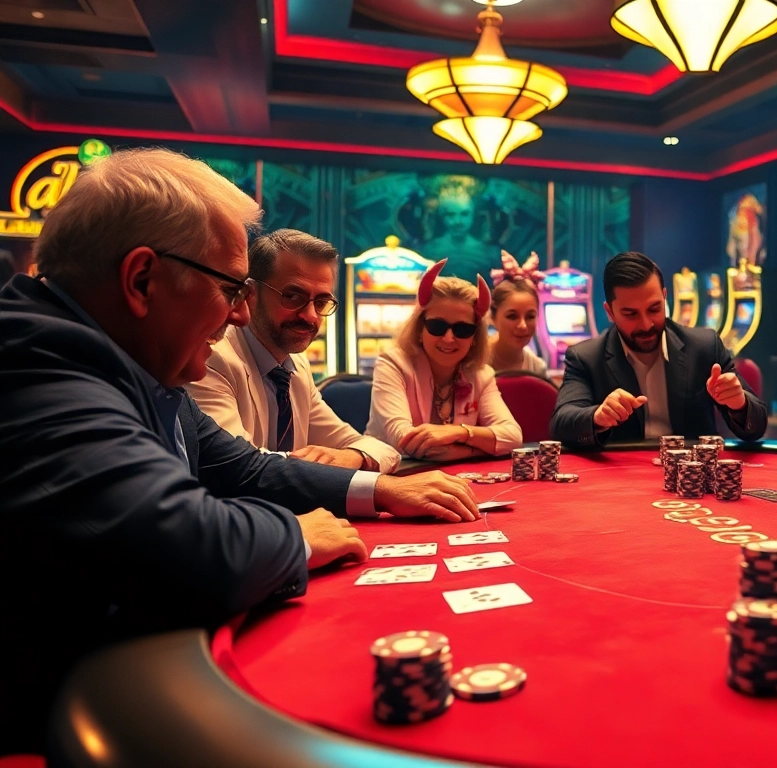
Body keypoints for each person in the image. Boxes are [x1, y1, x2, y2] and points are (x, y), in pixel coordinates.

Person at [0, 148, 481, 754]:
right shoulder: (35, 364)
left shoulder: (131, 363)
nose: (239, 314)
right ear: (142, 280)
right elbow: (189, 543)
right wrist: (296, 535)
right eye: (230, 288)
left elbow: (241, 466)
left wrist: (380, 489)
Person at [186, 229, 400, 472]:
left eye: (321, 302)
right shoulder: (211, 357)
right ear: (250, 294)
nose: (311, 316)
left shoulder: (296, 366)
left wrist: (354, 457)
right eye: (292, 296)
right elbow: (238, 468)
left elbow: (379, 450)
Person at [550, 251, 768, 447]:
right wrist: (597, 417)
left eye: (654, 309)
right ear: (610, 312)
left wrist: (739, 404)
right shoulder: (586, 358)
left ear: (664, 297)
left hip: (691, 473)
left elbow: (756, 427)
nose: (646, 324)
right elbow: (562, 423)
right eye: (631, 314)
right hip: (622, 473)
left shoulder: (704, 346)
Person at [367, 265, 523, 461]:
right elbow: (405, 441)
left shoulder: (482, 374)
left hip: (451, 475)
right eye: (437, 326)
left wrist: (460, 433)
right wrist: (474, 448)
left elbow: (513, 437)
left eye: (463, 329)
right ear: (420, 329)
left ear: (474, 337)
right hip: (391, 474)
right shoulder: (392, 364)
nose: (449, 338)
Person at [487, 250, 547, 375]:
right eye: (512, 316)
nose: (523, 326)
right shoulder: (471, 363)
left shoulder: (537, 368)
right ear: (492, 317)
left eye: (530, 316)